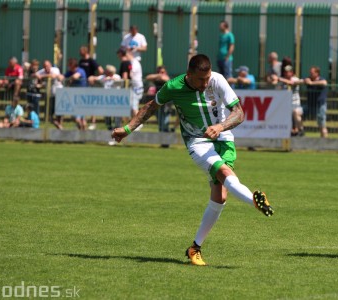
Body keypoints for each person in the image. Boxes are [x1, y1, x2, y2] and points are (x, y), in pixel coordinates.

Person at [111, 54, 274, 266]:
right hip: (197, 142)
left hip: (224, 138)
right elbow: (151, 106)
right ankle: (254, 200)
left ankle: (194, 248)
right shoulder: (173, 87)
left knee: (220, 196)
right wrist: (127, 129)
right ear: (189, 75)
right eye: (200, 80)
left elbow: (239, 113)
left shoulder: (217, 80)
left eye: (207, 78)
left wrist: (220, 127)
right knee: (224, 174)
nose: (205, 83)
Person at [88, 64, 122, 131]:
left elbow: (120, 82)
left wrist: (112, 78)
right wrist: (103, 79)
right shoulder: (103, 77)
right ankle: (109, 130)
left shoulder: (117, 76)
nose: (105, 72)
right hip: (106, 101)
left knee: (117, 117)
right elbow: (91, 78)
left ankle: (117, 130)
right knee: (107, 117)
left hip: (116, 100)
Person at [79, 45, 104, 130]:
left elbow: (101, 71)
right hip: (82, 86)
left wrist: (94, 77)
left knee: (91, 103)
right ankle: (83, 121)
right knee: (83, 103)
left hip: (90, 86)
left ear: (85, 51)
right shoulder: (81, 61)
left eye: (81, 50)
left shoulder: (91, 61)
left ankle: (93, 122)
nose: (79, 52)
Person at [60, 57, 88, 130]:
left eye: (69, 65)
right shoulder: (70, 72)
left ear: (74, 65)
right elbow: (62, 76)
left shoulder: (80, 70)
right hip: (74, 99)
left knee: (81, 119)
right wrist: (59, 76)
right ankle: (82, 135)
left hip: (82, 98)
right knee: (78, 119)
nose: (68, 67)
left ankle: (84, 136)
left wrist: (68, 79)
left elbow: (75, 76)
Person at [35, 60, 64, 129]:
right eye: (45, 66)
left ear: (50, 65)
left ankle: (60, 127)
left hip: (59, 93)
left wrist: (41, 76)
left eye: (47, 66)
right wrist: (36, 76)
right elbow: (35, 74)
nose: (46, 68)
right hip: (50, 95)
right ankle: (58, 125)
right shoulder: (42, 71)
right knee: (48, 115)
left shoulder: (55, 69)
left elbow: (53, 76)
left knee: (59, 113)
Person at [145, 66, 172, 136]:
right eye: (159, 72)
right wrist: (159, 75)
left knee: (165, 121)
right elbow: (147, 77)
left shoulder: (168, 78)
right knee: (160, 121)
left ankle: (165, 140)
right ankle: (161, 139)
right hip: (158, 102)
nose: (161, 74)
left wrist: (162, 76)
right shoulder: (157, 79)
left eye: (162, 72)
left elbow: (168, 80)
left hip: (167, 103)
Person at [278, 65, 304, 136]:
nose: (286, 73)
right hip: (285, 104)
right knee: (288, 123)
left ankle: (300, 131)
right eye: (285, 72)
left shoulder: (295, 79)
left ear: (292, 72)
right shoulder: (282, 80)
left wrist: (279, 79)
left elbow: (291, 83)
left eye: (288, 72)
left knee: (294, 119)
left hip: (295, 103)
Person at [305, 66, 328, 138]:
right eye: (310, 73)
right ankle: (299, 133)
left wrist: (311, 83)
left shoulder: (321, 79)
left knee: (322, 124)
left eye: (312, 73)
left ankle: (325, 142)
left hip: (320, 105)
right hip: (310, 105)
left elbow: (324, 83)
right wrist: (305, 81)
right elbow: (301, 81)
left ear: (317, 73)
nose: (310, 74)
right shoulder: (308, 79)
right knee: (297, 112)